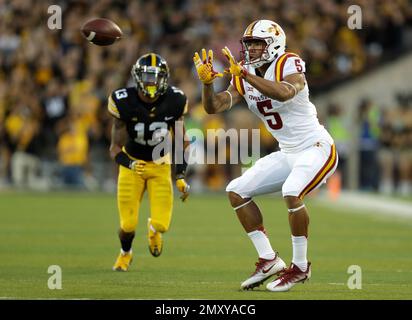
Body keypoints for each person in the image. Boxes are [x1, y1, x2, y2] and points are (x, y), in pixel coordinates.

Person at [194, 20, 338, 292]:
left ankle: (300, 266)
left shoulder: (288, 62)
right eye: (248, 44)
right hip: (287, 152)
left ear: (274, 44)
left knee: (292, 191)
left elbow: (285, 93)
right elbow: (215, 106)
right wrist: (206, 84)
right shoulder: (243, 72)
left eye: (257, 44)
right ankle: (269, 259)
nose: (251, 50)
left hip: (316, 147)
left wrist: (247, 77)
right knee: (237, 190)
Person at [108, 53, 190, 271]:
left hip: (160, 165)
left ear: (164, 78)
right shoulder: (123, 100)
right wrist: (129, 164)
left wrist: (180, 176)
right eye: (146, 77)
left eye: (155, 77)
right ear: (137, 77)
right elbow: (114, 148)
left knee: (162, 224)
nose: (151, 82)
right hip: (133, 165)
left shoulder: (175, 100)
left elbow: (182, 142)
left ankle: (153, 230)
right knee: (127, 225)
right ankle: (126, 253)